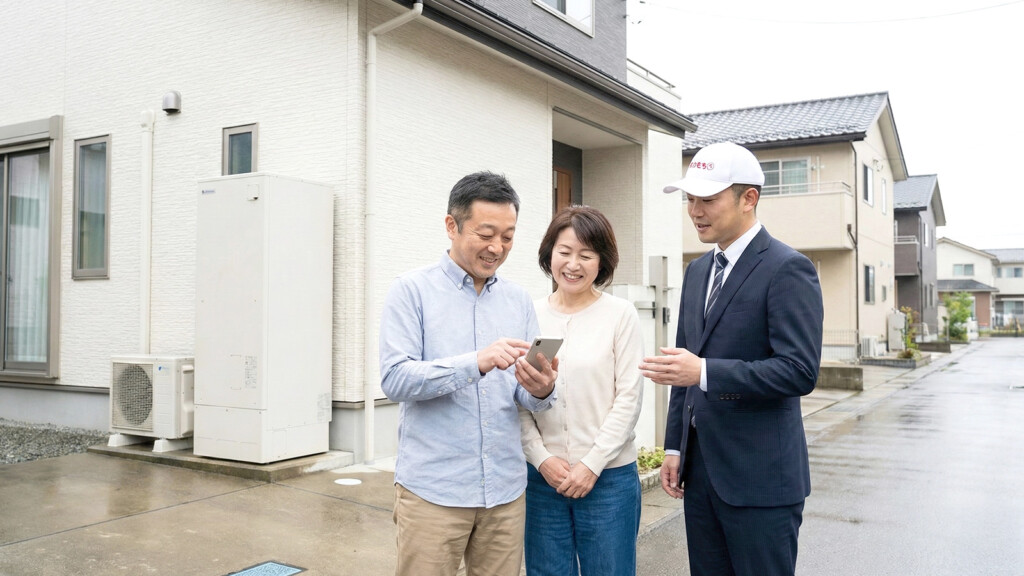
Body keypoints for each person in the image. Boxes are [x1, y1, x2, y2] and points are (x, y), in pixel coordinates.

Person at [639, 141, 824, 576]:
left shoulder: (787, 267)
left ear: (748, 198)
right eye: (690, 199)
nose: (695, 211)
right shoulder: (697, 271)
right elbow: (682, 367)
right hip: (701, 474)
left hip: (762, 479)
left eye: (707, 199)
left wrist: (704, 371)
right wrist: (673, 447)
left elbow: (798, 371)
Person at [379, 171, 560, 576]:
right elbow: (395, 379)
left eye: (508, 236)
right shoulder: (411, 290)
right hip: (433, 494)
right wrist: (474, 362)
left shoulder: (517, 300)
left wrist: (541, 388)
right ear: (452, 225)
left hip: (505, 492)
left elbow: (524, 396)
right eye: (486, 234)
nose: (497, 247)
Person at [519, 205, 645, 576]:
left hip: (609, 478)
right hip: (544, 479)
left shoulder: (620, 314)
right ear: (549, 254)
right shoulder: (529, 314)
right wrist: (540, 457)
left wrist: (592, 464)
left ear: (602, 261)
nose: (573, 264)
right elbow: (517, 399)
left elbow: (629, 398)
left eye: (586, 255)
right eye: (565, 252)